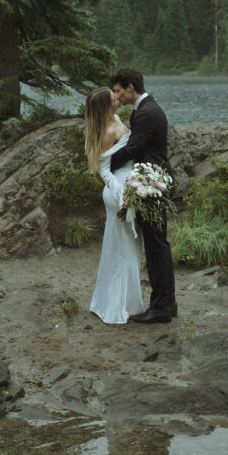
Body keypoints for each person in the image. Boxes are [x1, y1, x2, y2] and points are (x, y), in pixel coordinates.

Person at [109, 66, 177, 323]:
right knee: (159, 245)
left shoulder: (147, 112)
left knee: (156, 245)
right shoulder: (146, 109)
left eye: (118, 91)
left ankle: (161, 308)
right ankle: (168, 303)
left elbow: (134, 148)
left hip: (153, 184)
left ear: (130, 86)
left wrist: (106, 165)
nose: (118, 97)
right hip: (154, 180)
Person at [85, 87, 145, 324]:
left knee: (128, 247)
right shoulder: (106, 131)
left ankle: (128, 303)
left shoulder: (118, 119)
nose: (118, 99)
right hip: (117, 188)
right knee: (122, 249)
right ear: (106, 106)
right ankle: (117, 307)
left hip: (128, 183)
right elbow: (103, 170)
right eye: (114, 99)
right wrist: (122, 192)